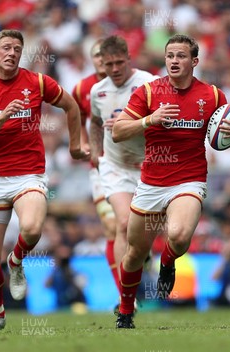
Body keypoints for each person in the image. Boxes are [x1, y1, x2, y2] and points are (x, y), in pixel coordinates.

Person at [111, 34, 230, 328]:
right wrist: (150, 120)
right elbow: (119, 131)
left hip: (189, 180)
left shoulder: (212, 96)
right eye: (170, 55)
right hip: (151, 183)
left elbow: (227, 143)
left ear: (194, 61)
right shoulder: (149, 93)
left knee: (178, 235)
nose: (174, 61)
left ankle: (167, 263)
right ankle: (125, 311)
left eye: (181, 56)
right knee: (135, 252)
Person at [0, 29, 87, 332]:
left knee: (32, 229)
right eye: (5, 48)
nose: (11, 53)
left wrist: (74, 145)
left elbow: (71, 106)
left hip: (28, 174)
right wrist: (4, 115)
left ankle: (17, 261)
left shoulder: (37, 82)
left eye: (17, 49)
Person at [88, 35, 157, 301]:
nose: (114, 69)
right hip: (116, 166)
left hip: (149, 166)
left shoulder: (149, 83)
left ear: (129, 59)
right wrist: (95, 150)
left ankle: (143, 254)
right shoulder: (99, 91)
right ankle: (124, 297)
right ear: (102, 64)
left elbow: (165, 121)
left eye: (119, 62)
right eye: (108, 64)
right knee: (124, 222)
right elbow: (95, 122)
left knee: (141, 229)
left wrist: (133, 121)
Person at [71, 40, 121, 294]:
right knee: (112, 227)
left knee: (132, 226)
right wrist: (82, 143)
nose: (101, 59)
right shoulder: (82, 89)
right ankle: (124, 293)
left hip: (129, 162)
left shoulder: (129, 83)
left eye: (105, 55)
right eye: (96, 56)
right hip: (100, 166)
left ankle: (142, 259)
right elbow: (78, 120)